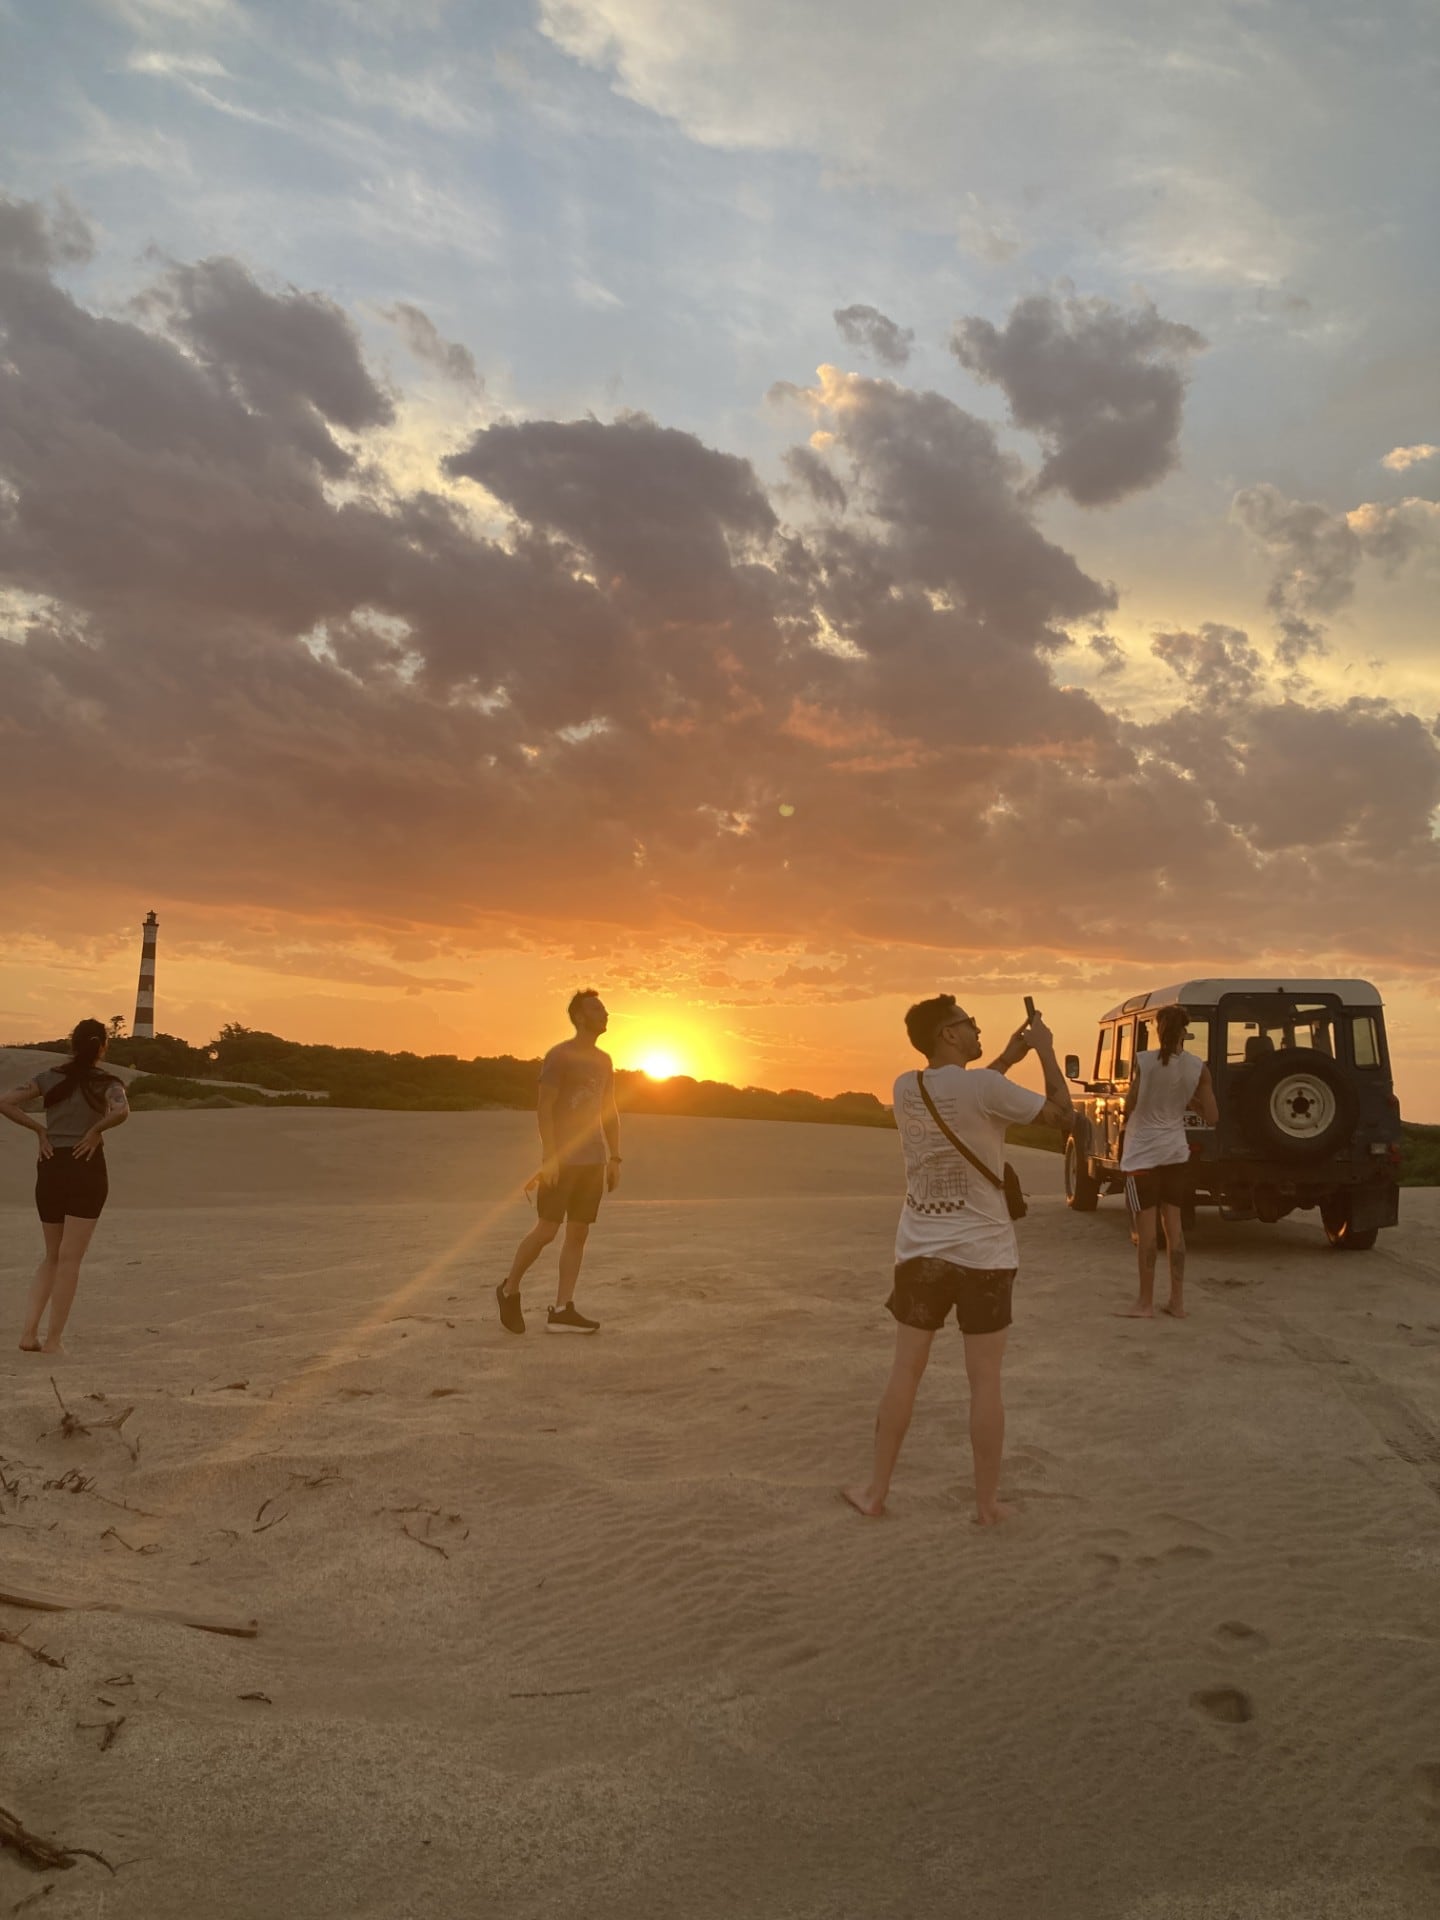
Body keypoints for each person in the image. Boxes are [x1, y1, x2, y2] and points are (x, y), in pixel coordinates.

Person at [844, 995, 1072, 1526]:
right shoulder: (983, 1088)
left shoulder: (906, 1087)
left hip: (920, 1251)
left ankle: (876, 1493)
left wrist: (1007, 1058)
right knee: (985, 1382)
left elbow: (970, 1097)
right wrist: (1044, 1050)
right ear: (948, 1034)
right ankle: (987, 1505)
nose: (976, 1029)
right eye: (968, 1023)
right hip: (985, 1253)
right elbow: (1063, 1117)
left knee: (905, 1371)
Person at [0, 1018, 130, 1354]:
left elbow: (5, 1101)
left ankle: (29, 1334)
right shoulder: (108, 1082)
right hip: (86, 1165)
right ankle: (54, 1341)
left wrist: (39, 1130)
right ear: (102, 1047)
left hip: (51, 1165)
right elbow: (122, 1109)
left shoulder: (49, 1077)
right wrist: (96, 1130)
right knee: (70, 1259)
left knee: (52, 1256)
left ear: (72, 1045)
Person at [497, 990, 621, 1336]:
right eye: (597, 1008)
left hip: (593, 1160)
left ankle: (563, 1308)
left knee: (578, 1232)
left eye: (604, 1008)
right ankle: (508, 1290)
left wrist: (615, 1156)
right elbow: (545, 1109)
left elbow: (608, 1111)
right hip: (562, 1162)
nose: (606, 1013)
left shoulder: (604, 1060)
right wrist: (549, 1158)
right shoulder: (559, 1056)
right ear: (580, 1017)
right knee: (547, 1231)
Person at [1118, 1004, 1218, 1320]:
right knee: (1174, 1228)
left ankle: (1145, 1303)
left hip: (1142, 1156)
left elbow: (1132, 1103)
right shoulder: (1198, 1068)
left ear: (1159, 1030)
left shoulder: (1144, 1062)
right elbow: (1212, 1117)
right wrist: (1187, 1098)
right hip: (1176, 1154)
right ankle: (1177, 1302)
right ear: (1185, 1033)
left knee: (1146, 1233)